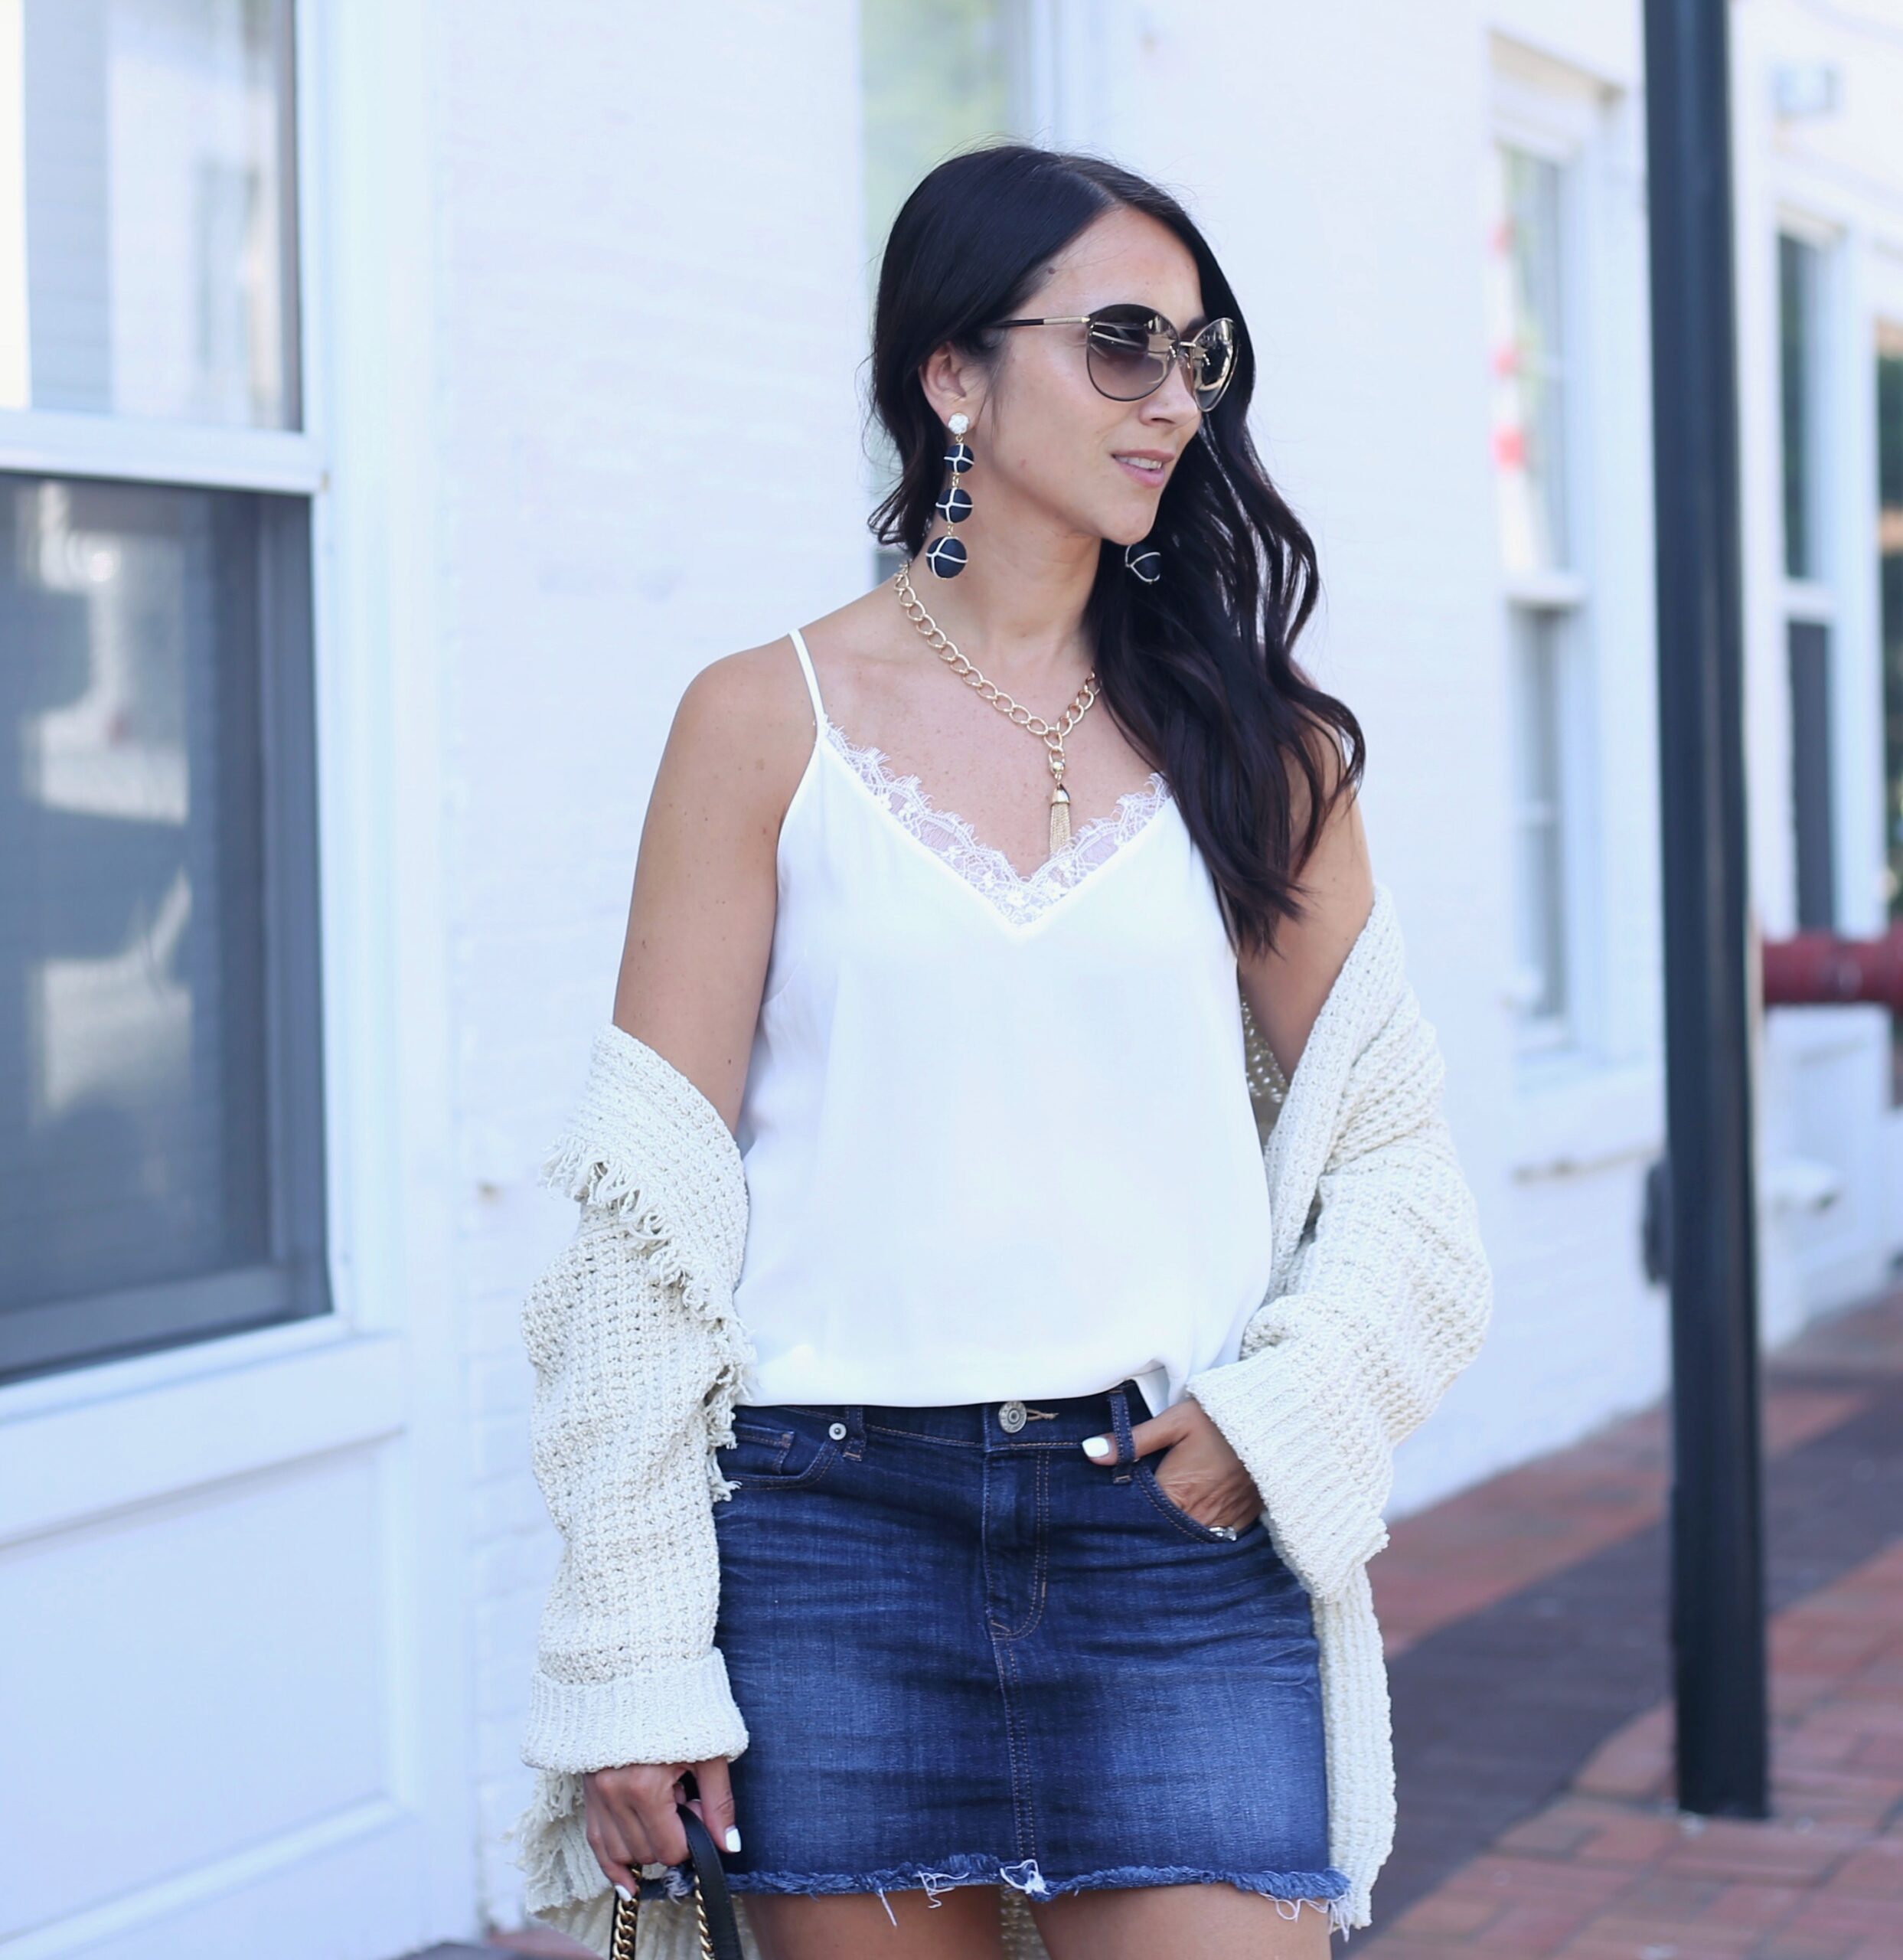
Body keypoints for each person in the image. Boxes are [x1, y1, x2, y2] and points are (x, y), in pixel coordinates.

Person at [511, 144, 1493, 1960]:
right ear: (951, 373)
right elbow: (645, 1227)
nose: (1172, 398)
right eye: (1121, 343)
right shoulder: (760, 721)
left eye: (1200, 356)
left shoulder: (1253, 745)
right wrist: (633, 1655)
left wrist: (1262, 1431)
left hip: (1172, 1539)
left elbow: (1400, 1172)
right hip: (831, 1539)